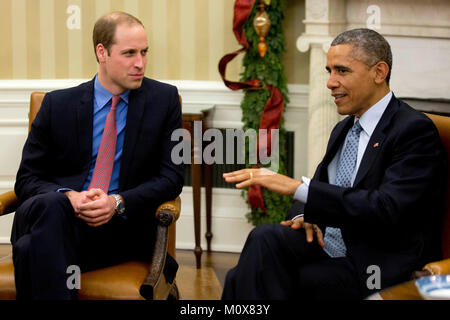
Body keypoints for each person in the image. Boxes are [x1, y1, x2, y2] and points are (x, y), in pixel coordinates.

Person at [222, 28, 447, 300]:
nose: (330, 82)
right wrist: (302, 217)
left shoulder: (413, 130)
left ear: (379, 72)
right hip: (328, 244)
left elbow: (386, 208)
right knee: (264, 238)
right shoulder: (343, 129)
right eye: (329, 71)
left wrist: (296, 187)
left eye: (341, 71)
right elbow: (322, 190)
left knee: (248, 277)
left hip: (375, 263)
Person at [11, 11, 184, 300]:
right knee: (54, 207)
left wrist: (117, 202)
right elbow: (27, 179)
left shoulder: (163, 101)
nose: (140, 63)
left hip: (117, 231)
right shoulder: (58, 105)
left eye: (144, 52)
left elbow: (171, 177)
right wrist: (70, 197)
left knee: (30, 249)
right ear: (101, 52)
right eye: (129, 53)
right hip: (58, 220)